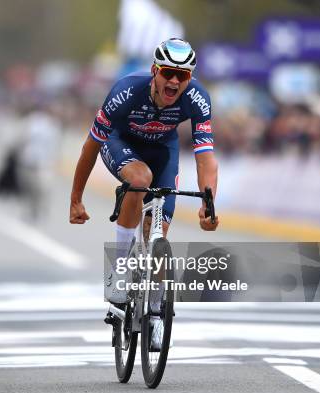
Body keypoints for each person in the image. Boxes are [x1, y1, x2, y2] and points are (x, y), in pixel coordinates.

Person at [69, 38, 219, 348]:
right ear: (154, 70)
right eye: (167, 72)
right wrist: (76, 199)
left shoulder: (198, 99)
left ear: (190, 78)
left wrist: (209, 205)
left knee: (158, 235)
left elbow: (206, 159)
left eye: (183, 76)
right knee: (140, 178)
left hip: (163, 151)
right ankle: (119, 275)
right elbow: (89, 148)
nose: (174, 81)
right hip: (120, 142)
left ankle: (154, 314)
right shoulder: (126, 91)